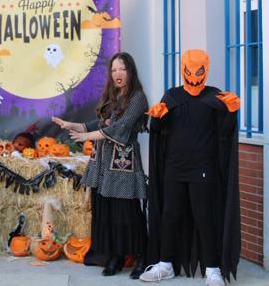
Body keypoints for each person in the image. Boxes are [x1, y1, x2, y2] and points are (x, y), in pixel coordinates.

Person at [140, 49, 240, 286]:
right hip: (174, 168)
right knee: (170, 215)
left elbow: (225, 134)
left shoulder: (214, 97)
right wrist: (157, 117)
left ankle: (213, 269)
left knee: (204, 217)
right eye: (189, 71)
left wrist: (231, 114)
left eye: (199, 71)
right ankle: (165, 264)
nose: (194, 77)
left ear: (206, 69)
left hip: (203, 169)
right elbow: (156, 131)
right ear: (182, 68)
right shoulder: (172, 96)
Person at [52, 52, 148, 279]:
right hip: (104, 162)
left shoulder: (137, 98)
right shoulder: (112, 97)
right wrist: (72, 125)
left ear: (130, 71)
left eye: (122, 69)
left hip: (123, 164)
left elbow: (121, 128)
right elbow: (99, 123)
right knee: (108, 211)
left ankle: (142, 255)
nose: (117, 74)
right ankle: (115, 255)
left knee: (127, 212)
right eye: (114, 70)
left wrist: (88, 138)